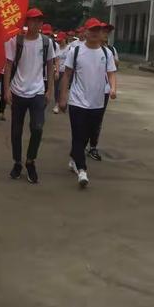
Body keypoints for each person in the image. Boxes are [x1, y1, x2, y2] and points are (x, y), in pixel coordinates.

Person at [59, 18, 117, 188]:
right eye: (91, 30)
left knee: (87, 135)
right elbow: (67, 75)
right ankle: (82, 170)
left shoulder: (106, 53)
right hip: (77, 101)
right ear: (85, 32)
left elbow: (112, 73)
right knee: (78, 134)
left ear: (101, 33)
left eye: (98, 30)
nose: (95, 33)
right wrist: (63, 97)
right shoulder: (76, 51)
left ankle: (73, 157)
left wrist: (113, 88)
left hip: (97, 103)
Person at [4, 8, 55, 184]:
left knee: (37, 128)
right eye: (32, 20)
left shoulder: (47, 42)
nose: (36, 23)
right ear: (26, 22)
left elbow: (50, 66)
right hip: (18, 91)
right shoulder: (16, 41)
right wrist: (6, 89)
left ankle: (30, 160)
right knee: (16, 131)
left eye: (39, 20)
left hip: (37, 92)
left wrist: (50, 90)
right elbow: (8, 66)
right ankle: (17, 162)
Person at [86, 22, 119, 160]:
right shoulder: (84, 49)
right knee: (84, 119)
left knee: (97, 120)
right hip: (87, 89)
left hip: (103, 91)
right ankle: (80, 143)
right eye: (104, 32)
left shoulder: (110, 50)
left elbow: (114, 68)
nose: (105, 35)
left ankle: (93, 146)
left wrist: (112, 88)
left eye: (107, 33)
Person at [53, 32, 70, 114]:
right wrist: (57, 71)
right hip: (59, 70)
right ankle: (57, 104)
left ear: (65, 39)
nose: (60, 42)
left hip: (66, 71)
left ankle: (63, 102)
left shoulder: (69, 48)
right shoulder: (57, 48)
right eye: (58, 40)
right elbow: (56, 60)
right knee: (57, 88)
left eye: (61, 40)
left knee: (64, 88)